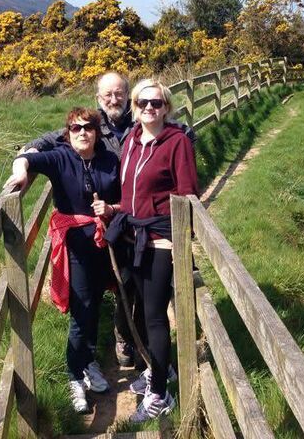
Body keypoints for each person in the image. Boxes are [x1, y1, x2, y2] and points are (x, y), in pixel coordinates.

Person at [23, 71, 195, 369]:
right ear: (98, 99)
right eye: (107, 95)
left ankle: (144, 350)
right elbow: (54, 137)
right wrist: (28, 155)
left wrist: (184, 134)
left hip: (139, 219)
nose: (114, 99)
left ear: (128, 97)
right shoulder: (93, 124)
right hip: (111, 221)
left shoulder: (140, 122)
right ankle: (124, 338)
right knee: (118, 282)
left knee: (139, 286)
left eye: (119, 94)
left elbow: (173, 131)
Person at [4, 107, 121, 414]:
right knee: (81, 307)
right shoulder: (59, 157)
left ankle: (90, 362)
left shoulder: (110, 160)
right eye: (75, 128)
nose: (82, 132)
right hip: (75, 245)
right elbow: (25, 157)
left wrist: (109, 208)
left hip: (104, 240)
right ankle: (75, 376)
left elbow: (127, 195)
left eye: (88, 127)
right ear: (67, 133)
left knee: (95, 302)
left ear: (97, 132)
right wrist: (20, 173)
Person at [105, 79, 199, 423]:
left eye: (156, 103)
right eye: (143, 103)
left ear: (167, 107)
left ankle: (160, 395)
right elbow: (130, 190)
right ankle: (157, 370)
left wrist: (178, 242)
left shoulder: (177, 142)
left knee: (156, 317)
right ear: (134, 106)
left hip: (159, 240)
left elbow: (188, 195)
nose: (149, 108)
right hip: (133, 238)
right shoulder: (132, 138)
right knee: (142, 312)